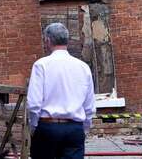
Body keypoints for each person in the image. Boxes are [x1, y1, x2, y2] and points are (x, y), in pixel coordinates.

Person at [27, 23, 96, 159]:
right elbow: (89, 106)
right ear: (67, 40)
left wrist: (34, 127)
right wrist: (84, 129)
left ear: (48, 40)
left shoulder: (41, 65)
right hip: (74, 128)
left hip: (47, 126)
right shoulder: (83, 67)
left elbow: (34, 104)